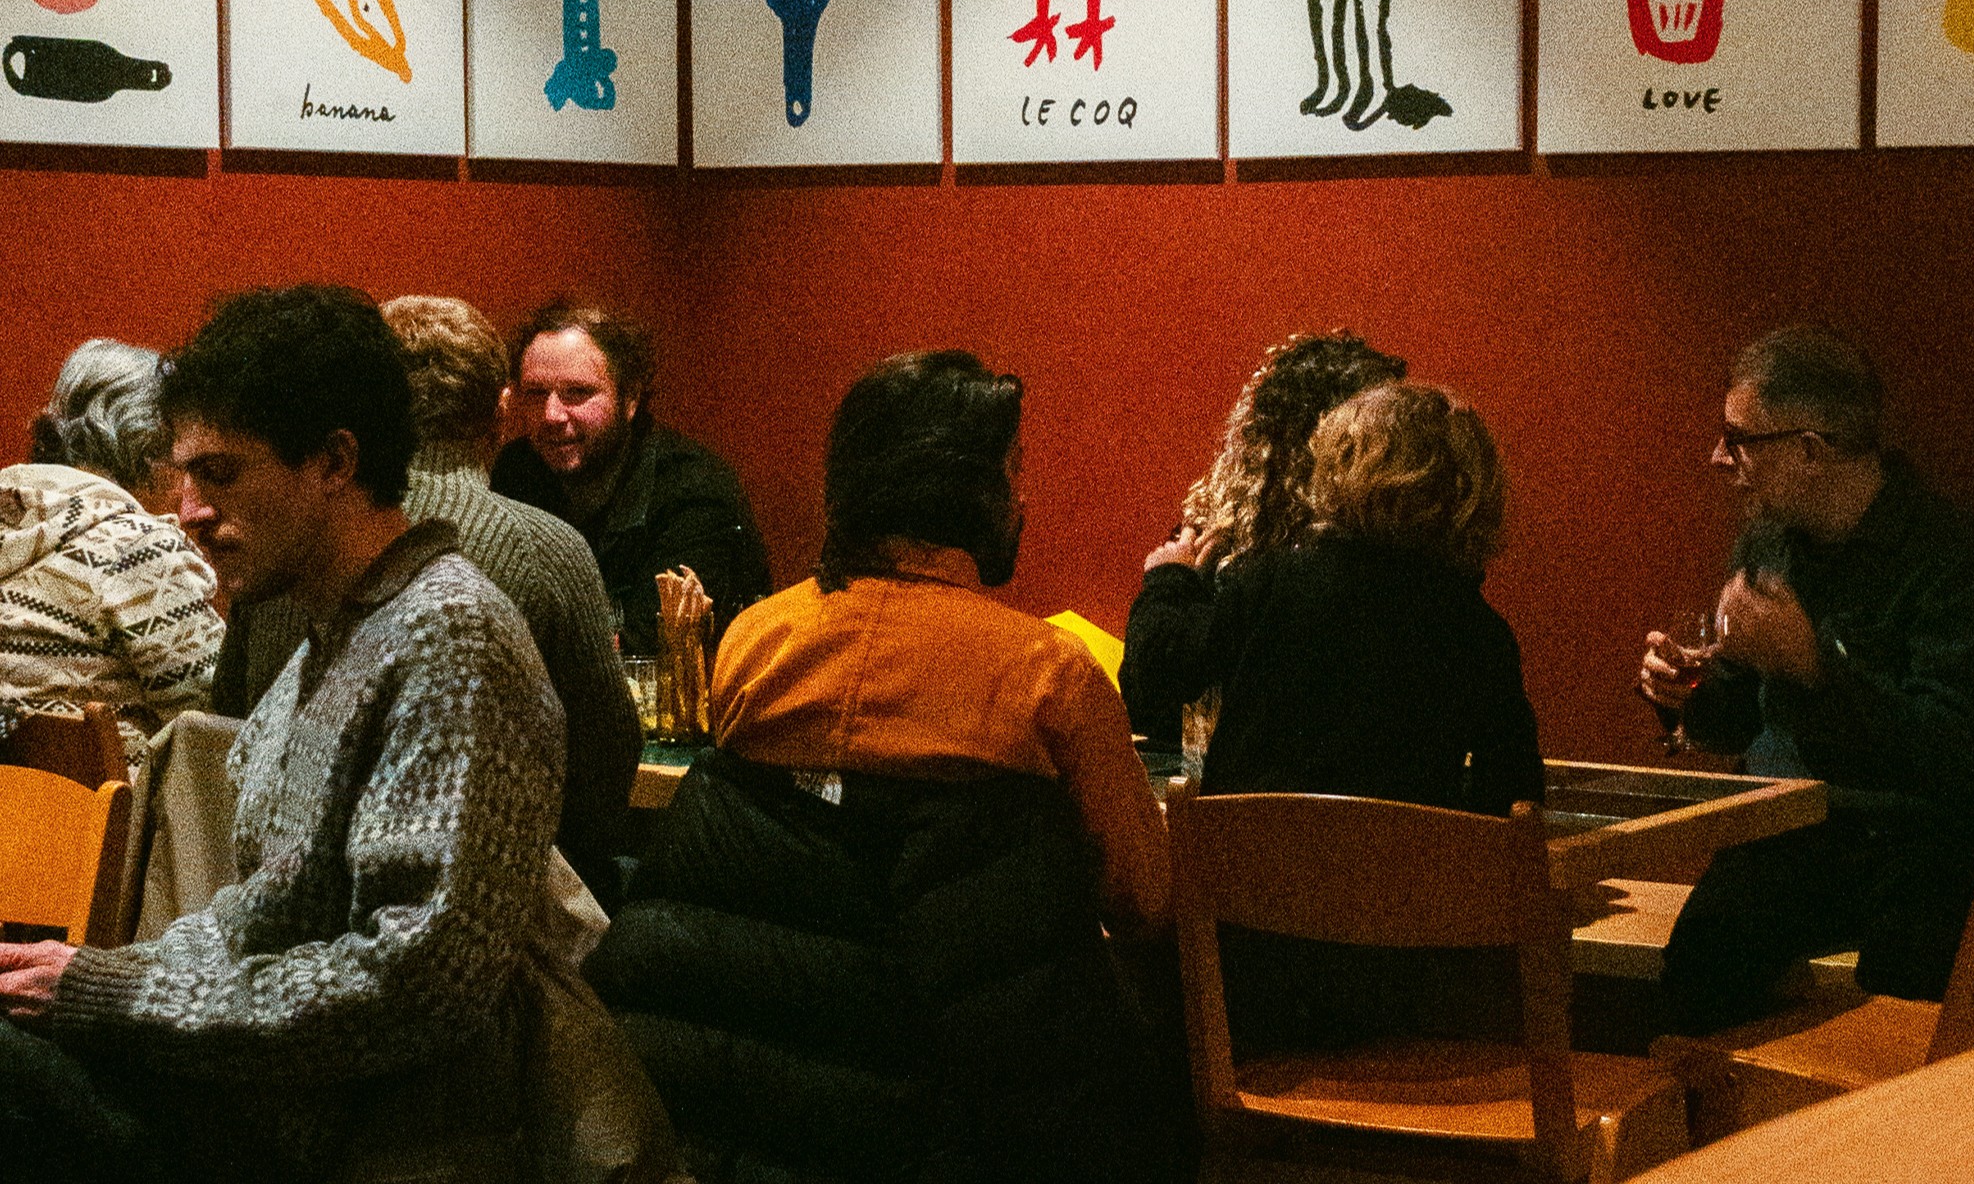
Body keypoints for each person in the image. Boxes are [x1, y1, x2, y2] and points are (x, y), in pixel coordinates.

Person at [0, 285, 570, 1183]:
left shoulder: (448, 635)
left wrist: (113, 992)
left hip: (360, 1134)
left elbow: (413, 987)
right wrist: (86, 976)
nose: (186, 509)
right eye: (181, 473)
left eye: (220, 475)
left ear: (336, 461)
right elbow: (253, 917)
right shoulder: (332, 626)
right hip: (259, 1095)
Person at [585, 349, 1177, 1182]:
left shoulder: (756, 642)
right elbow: (1145, 902)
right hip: (951, 1113)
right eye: (1014, 471)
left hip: (739, 1111)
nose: (1023, 496)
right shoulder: (1048, 674)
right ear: (970, 493)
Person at [1128, 379, 1541, 1049]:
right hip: (1395, 987)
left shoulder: (1267, 584)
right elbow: (1513, 797)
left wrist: (1170, 577)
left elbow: (1154, 683)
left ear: (1338, 471)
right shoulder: (1476, 630)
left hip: (1245, 975)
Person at [1639, 326, 1974, 1036]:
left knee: (1908, 1004)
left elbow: (1955, 756)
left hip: (1909, 845)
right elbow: (1739, 723)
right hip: (1786, 834)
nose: (1719, 457)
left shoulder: (1946, 556)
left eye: (1739, 437)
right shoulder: (1768, 543)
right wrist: (1681, 698)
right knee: (1695, 972)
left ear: (1809, 450)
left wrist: (1816, 669)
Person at [212, 294, 641, 898]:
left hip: (269, 890)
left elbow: (227, 723)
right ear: (499, 411)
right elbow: (602, 776)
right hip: (481, 903)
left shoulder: (285, 534)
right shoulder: (546, 552)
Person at [1120, 327, 1405, 746]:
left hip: (1234, 803)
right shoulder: (1409, 569)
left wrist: (1168, 583)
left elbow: (1151, 693)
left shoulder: (1236, 563)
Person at [492, 298, 770, 656]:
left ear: (631, 397)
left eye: (577, 393)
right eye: (535, 394)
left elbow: (647, 654)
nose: (551, 415)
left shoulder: (693, 492)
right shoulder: (517, 470)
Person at [0, 339, 222, 763]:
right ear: (151, 453)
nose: (198, 497)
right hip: (120, 825)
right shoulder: (137, 550)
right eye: (190, 466)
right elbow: (227, 729)